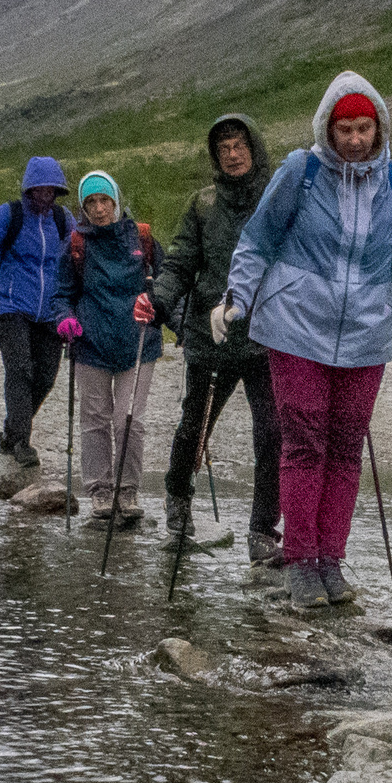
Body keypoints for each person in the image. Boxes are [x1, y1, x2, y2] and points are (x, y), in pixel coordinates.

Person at [214, 74, 392, 610]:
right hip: (296, 326)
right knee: (304, 441)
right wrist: (236, 298)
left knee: (347, 448)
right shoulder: (299, 172)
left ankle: (331, 559)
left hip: (365, 335)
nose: (354, 138)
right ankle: (301, 562)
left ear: (379, 128)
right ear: (328, 128)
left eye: (364, 128)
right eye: (344, 128)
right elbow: (258, 240)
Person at [151, 114, 284, 564]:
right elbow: (179, 263)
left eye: (240, 144)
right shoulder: (202, 204)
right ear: (215, 155)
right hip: (211, 338)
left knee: (273, 434)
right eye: (224, 147)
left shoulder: (278, 197)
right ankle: (178, 505)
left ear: (255, 147)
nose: (232, 153)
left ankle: (263, 530)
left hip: (269, 337)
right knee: (194, 427)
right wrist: (159, 300)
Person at [47, 171, 163, 529]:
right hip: (91, 343)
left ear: (116, 200)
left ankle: (127, 491)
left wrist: (172, 315)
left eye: (104, 201)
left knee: (129, 420)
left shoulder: (141, 238)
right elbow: (61, 293)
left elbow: (169, 283)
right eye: (90, 203)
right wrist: (64, 317)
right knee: (94, 419)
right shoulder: (77, 243)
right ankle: (99, 490)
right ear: (82, 207)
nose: (99, 209)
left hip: (138, 342)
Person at [0, 156, 73, 469]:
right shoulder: (9, 214)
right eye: (40, 190)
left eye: (51, 190)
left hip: (51, 311)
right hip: (12, 306)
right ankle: (22, 443)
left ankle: (11, 432)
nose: (46, 196)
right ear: (29, 190)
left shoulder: (63, 219)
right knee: (20, 370)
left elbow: (78, 253)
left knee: (45, 378)